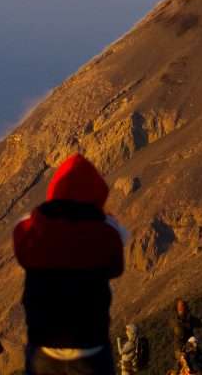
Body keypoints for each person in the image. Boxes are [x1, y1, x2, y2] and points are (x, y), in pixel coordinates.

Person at [13, 153, 125, 375]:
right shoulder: (104, 235)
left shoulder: (34, 233)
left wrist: (41, 216)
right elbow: (116, 267)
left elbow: (21, 242)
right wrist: (107, 221)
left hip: (44, 349)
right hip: (90, 350)